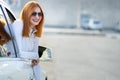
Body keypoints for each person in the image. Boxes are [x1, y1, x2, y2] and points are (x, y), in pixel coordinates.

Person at [11, 1, 44, 80]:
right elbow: (18, 54)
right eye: (34, 13)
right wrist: (35, 57)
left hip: (25, 71)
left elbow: (35, 62)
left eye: (40, 14)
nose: (37, 17)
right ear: (27, 14)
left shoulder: (35, 32)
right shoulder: (19, 24)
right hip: (13, 69)